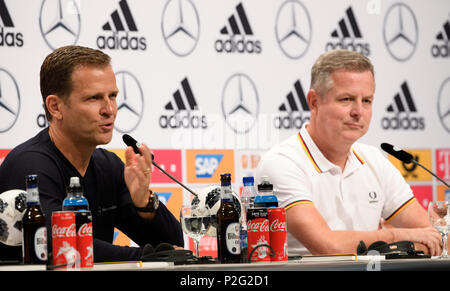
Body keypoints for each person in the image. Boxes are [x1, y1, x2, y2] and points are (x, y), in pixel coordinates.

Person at [0, 45, 183, 262]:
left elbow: (174, 245)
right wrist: (146, 257)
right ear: (55, 107)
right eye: (94, 98)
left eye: (112, 96)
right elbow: (64, 248)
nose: (109, 109)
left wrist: (145, 203)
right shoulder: (30, 165)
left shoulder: (109, 166)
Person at [256, 50, 442, 256]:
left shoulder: (374, 161)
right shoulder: (282, 163)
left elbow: (434, 237)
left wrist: (412, 239)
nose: (358, 111)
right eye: (346, 99)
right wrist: (397, 237)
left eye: (367, 101)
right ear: (314, 101)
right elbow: (328, 246)